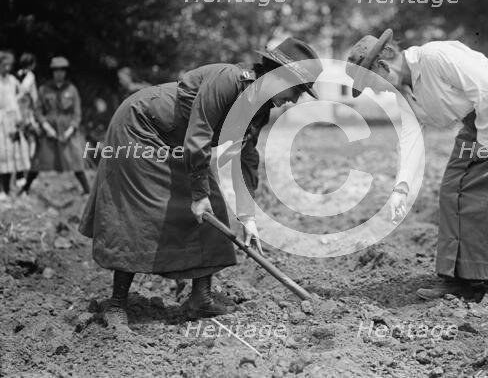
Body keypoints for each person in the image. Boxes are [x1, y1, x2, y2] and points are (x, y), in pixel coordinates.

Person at [79, 37, 322, 330]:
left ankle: (201, 298)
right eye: (295, 91)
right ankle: (117, 303)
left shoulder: (260, 108)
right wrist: (197, 194)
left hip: (180, 142)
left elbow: (246, 158)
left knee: (214, 206)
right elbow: (198, 136)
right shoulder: (227, 81)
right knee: (139, 211)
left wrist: (248, 217)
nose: (294, 100)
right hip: (140, 127)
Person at [345, 29, 488, 309]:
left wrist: (486, 142)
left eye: (372, 83)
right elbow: (411, 134)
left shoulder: (435, 56)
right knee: (452, 190)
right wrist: (401, 189)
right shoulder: (403, 92)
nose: (375, 90)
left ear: (382, 65)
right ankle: (459, 279)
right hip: (478, 121)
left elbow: (487, 90)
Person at [19, 57, 90, 195]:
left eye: (62, 71)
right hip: (49, 129)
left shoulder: (72, 89)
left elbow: (77, 113)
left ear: (65, 72)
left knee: (75, 160)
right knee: (39, 159)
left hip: (67, 129)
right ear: (52, 72)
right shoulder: (44, 89)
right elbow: (38, 110)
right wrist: (45, 126)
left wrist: (71, 130)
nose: (59, 74)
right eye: (56, 71)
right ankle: (25, 189)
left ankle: (87, 190)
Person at [0, 51, 31, 201]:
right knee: (2, 154)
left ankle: (12, 187)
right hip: (1, 120)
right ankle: (2, 190)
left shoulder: (12, 81)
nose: (7, 68)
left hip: (13, 120)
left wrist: (20, 117)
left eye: (9, 65)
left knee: (15, 153)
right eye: (4, 65)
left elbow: (19, 96)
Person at [15, 53, 39, 186]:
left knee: (20, 141)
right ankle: (28, 169)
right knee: (31, 140)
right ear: (32, 64)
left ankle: (20, 173)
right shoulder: (30, 77)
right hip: (27, 113)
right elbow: (34, 97)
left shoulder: (16, 74)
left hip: (16, 112)